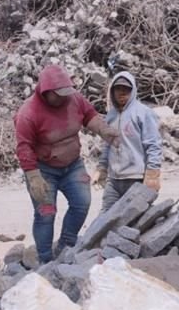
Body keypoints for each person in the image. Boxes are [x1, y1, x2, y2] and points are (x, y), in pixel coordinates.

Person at [14, 65, 120, 263]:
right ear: (46, 92)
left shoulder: (74, 99)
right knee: (45, 213)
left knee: (82, 203)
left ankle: (66, 245)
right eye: (59, 94)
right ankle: (45, 260)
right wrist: (33, 176)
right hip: (43, 169)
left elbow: (89, 115)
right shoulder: (28, 113)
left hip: (72, 165)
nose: (64, 97)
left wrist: (104, 130)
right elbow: (24, 147)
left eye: (66, 92)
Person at [96, 71, 163, 212]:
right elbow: (107, 145)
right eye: (118, 89)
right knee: (104, 220)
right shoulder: (111, 115)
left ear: (133, 91)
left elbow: (153, 145)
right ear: (112, 91)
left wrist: (152, 173)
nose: (122, 92)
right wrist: (102, 168)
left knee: (136, 221)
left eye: (126, 89)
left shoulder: (143, 113)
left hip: (136, 179)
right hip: (114, 180)